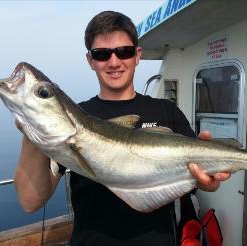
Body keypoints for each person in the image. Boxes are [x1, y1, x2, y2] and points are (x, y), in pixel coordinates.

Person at [14, 11, 230, 246]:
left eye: (124, 52)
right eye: (102, 54)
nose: (114, 62)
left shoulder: (167, 111)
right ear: (90, 60)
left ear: (137, 55)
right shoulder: (74, 119)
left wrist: (209, 182)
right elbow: (30, 201)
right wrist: (31, 129)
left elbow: (203, 181)